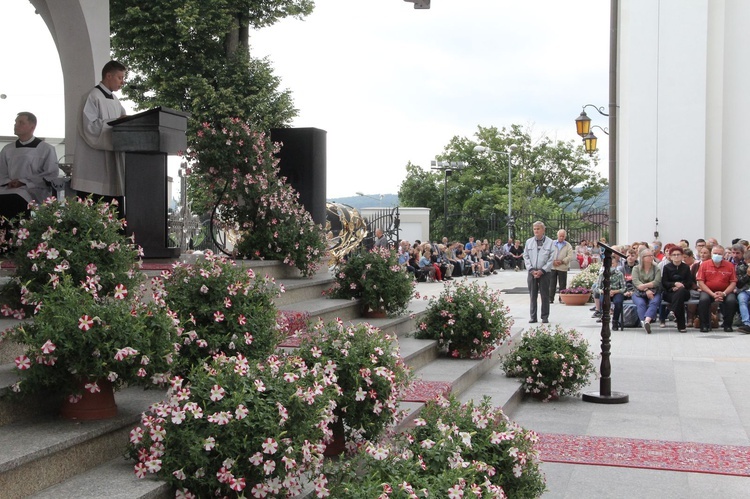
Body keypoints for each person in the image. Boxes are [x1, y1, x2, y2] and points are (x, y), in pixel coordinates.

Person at [71, 60, 128, 207]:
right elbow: (90, 127)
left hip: (113, 166)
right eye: (120, 78)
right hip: (93, 167)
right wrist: (117, 121)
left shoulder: (115, 100)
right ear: (109, 76)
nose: (122, 82)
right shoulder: (92, 96)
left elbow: (124, 123)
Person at [0, 112, 60, 224]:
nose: (16, 125)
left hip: (33, 190)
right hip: (8, 188)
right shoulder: (7, 149)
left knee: (15, 200)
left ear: (32, 126)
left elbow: (50, 174)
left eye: (21, 122)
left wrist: (23, 182)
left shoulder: (46, 149)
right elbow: (1, 172)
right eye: (15, 122)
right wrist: (9, 182)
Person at [696, 244, 738, 332]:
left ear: (723, 255)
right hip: (708, 291)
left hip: (726, 291)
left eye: (719, 254)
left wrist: (724, 293)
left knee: (732, 301)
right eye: (715, 253)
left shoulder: (730, 265)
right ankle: (704, 324)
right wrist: (712, 294)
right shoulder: (704, 265)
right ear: (711, 254)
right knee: (703, 300)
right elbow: (701, 282)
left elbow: (733, 282)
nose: (717, 255)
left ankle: (727, 324)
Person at [523, 221, 555, 324]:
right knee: (533, 295)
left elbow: (551, 258)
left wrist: (542, 270)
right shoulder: (529, 242)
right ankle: (533, 317)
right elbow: (526, 256)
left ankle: (544, 316)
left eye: (538, 229)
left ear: (543, 230)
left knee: (545, 295)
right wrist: (531, 270)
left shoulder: (550, 242)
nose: (536, 231)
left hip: (545, 273)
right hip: (532, 272)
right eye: (534, 229)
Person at [661, 247, 694, 332]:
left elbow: (689, 282)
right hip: (670, 293)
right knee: (679, 299)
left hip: (684, 291)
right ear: (670, 257)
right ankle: (681, 326)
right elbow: (664, 282)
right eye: (674, 255)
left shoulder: (686, 267)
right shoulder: (666, 267)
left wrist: (681, 286)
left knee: (680, 293)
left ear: (682, 256)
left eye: (678, 254)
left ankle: (674, 311)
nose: (676, 256)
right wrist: (673, 285)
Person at [632, 248, 662, 334]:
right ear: (642, 258)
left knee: (654, 301)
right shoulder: (636, 268)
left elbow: (656, 282)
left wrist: (644, 286)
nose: (651, 257)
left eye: (652, 255)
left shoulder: (657, 268)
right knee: (641, 303)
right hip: (638, 292)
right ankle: (644, 322)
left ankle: (647, 321)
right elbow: (636, 282)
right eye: (648, 256)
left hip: (654, 291)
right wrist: (646, 290)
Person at [549, 229, 574, 303]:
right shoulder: (552, 243)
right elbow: (547, 253)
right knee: (551, 283)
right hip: (553, 267)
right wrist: (553, 261)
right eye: (560, 236)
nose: (561, 238)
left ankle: (562, 298)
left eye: (563, 236)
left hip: (562, 267)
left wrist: (562, 261)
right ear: (558, 236)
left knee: (562, 284)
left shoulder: (568, 245)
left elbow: (570, 256)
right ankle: (550, 298)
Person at [736, 248, 750, 334]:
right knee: (742, 300)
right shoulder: (740, 268)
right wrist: (747, 275)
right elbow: (739, 284)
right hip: (744, 290)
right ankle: (747, 324)